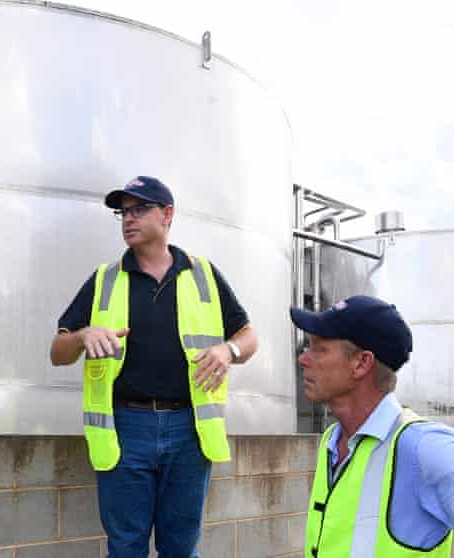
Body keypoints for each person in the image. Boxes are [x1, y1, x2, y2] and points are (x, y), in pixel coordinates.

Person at [49, 176, 258, 557]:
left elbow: (249, 337)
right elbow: (57, 351)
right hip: (127, 429)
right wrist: (82, 336)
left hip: (189, 430)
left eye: (139, 209)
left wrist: (228, 350)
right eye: (123, 212)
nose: (128, 218)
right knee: (126, 548)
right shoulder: (104, 280)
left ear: (167, 215)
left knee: (181, 548)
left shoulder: (204, 275)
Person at [291, 295, 454, 557]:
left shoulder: (424, 447)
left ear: (361, 363)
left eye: (319, 349)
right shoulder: (331, 441)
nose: (303, 359)